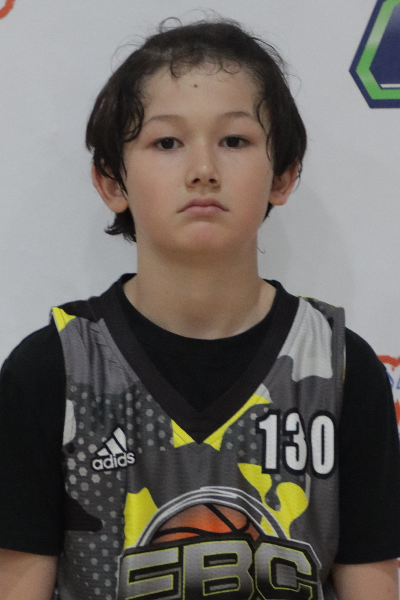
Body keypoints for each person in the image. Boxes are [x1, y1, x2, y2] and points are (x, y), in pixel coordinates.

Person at [0, 17, 400, 600]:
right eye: (166, 142)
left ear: (283, 174)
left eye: (234, 140)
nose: (203, 170)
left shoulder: (341, 370)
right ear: (112, 181)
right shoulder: (51, 371)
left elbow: (373, 581)